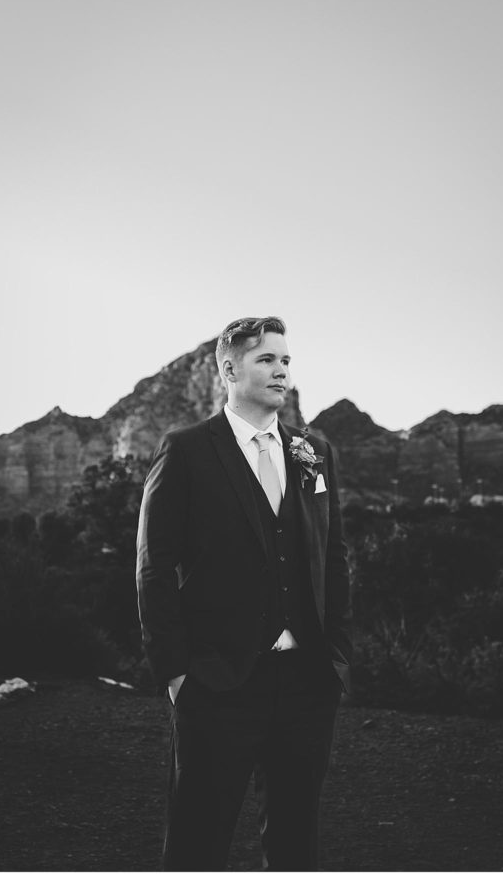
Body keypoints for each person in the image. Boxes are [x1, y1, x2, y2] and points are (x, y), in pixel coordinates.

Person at [136, 315, 352, 870]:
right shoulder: (184, 451)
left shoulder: (314, 451)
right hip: (216, 683)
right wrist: (176, 672)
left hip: (306, 683)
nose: (281, 370)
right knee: (197, 843)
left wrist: (336, 660)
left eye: (285, 360)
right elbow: (152, 568)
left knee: (294, 845)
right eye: (266, 360)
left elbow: (334, 559)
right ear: (230, 369)